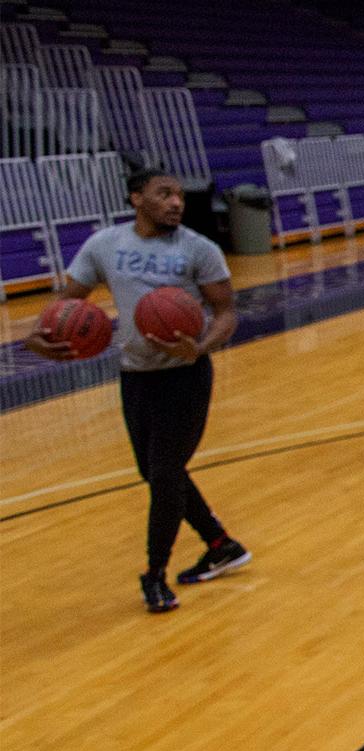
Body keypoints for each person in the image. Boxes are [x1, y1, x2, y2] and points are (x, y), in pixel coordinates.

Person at [26, 169, 251, 612]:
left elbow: (226, 311)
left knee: (165, 473)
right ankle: (221, 544)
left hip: (186, 374)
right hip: (135, 374)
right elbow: (68, 303)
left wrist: (200, 347)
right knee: (155, 473)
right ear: (136, 198)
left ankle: (154, 574)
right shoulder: (105, 245)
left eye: (179, 196)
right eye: (164, 194)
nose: (176, 203)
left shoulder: (199, 248)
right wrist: (40, 336)